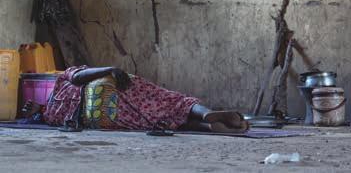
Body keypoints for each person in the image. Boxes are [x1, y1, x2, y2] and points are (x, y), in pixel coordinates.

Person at [20, 66, 247, 133]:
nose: (29, 106)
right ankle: (206, 118)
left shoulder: (58, 96)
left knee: (162, 113)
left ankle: (207, 122)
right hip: (109, 101)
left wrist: (109, 68)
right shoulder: (51, 110)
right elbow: (79, 76)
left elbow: (78, 76)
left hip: (110, 101)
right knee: (170, 106)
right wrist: (110, 68)